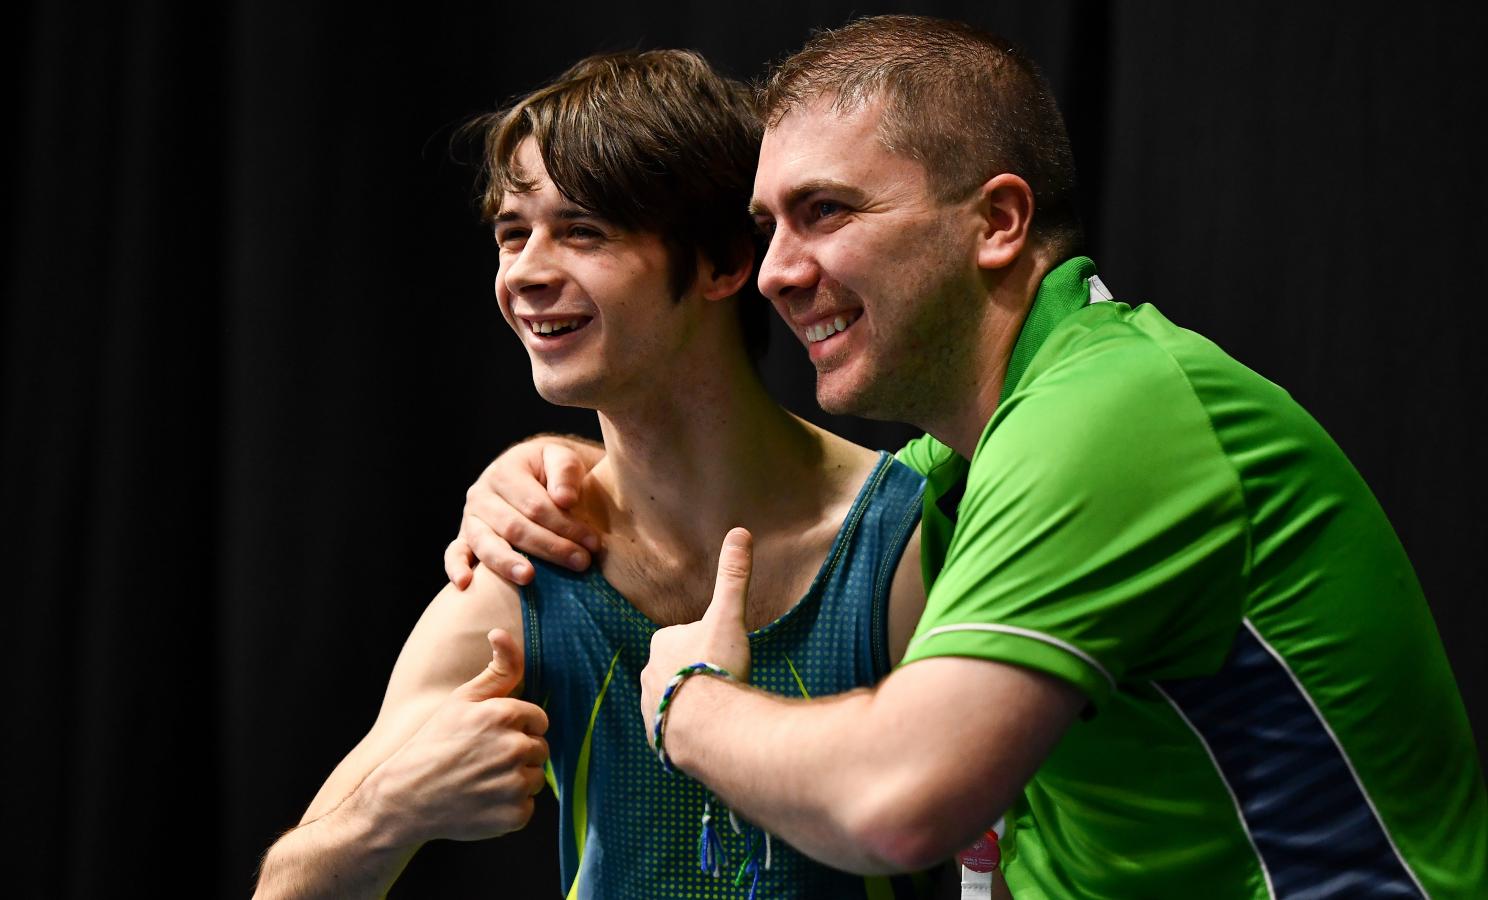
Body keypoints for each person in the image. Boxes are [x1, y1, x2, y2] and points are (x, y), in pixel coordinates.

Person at [447, 16, 1488, 898]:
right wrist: (551, 468)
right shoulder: (960, 471)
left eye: (826, 213)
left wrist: (688, 701)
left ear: (997, 221)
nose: (775, 272)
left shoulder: (1111, 414)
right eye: (767, 226)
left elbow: (896, 807)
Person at [254, 49, 950, 899]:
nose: (527, 273)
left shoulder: (904, 539)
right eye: (514, 232)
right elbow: (288, 887)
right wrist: (387, 811)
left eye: (583, 230)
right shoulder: (522, 571)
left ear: (726, 262)